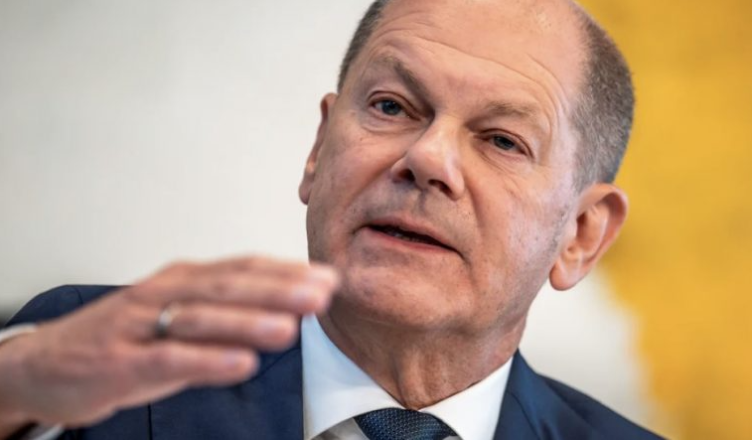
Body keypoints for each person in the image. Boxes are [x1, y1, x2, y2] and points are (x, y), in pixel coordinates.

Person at [0, 0, 663, 438]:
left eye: (501, 140)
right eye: (391, 106)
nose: (426, 158)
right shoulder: (80, 374)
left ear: (580, 236)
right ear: (319, 149)